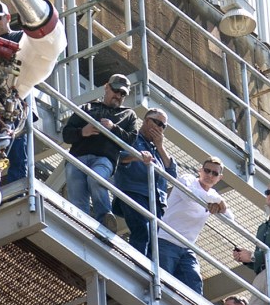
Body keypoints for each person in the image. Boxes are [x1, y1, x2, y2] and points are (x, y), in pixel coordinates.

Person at [61, 74, 138, 223]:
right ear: (106, 87)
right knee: (78, 200)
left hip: (104, 159)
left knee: (96, 178)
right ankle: (80, 227)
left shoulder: (128, 115)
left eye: (123, 94)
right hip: (77, 159)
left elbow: (131, 140)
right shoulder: (88, 107)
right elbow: (66, 134)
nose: (118, 96)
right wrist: (83, 132)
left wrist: (113, 128)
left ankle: (105, 218)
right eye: (116, 91)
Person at [114, 106, 177, 256]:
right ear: (147, 121)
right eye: (158, 123)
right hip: (134, 191)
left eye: (164, 126)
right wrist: (137, 156)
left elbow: (172, 175)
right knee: (143, 230)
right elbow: (118, 156)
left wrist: (160, 146)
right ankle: (137, 265)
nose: (160, 128)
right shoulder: (131, 137)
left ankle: (150, 270)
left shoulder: (158, 150)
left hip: (157, 202)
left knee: (156, 240)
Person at [158, 157, 227, 293]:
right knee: (161, 282)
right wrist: (218, 200)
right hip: (166, 240)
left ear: (220, 178)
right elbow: (190, 195)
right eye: (207, 171)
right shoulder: (187, 179)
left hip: (187, 247)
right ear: (200, 171)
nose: (210, 175)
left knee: (194, 286)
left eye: (215, 173)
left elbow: (230, 217)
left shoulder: (212, 195)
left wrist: (220, 205)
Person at [0, 0, 29, 188]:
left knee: (16, 154)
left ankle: (18, 193)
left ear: (8, 18)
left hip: (15, 106)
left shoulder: (21, 37)